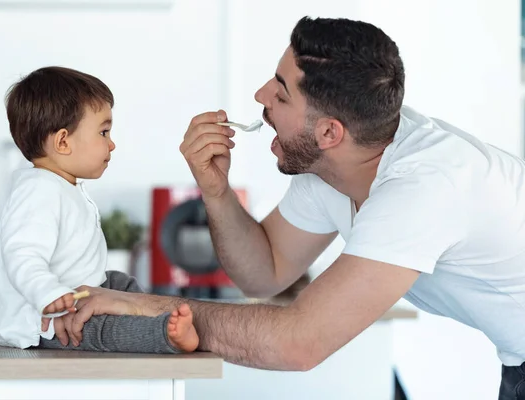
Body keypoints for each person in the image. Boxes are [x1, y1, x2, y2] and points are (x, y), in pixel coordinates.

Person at [54, 17, 525, 398]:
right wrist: (216, 192)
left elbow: (299, 343)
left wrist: (141, 307)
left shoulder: (424, 187)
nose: (261, 97)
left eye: (280, 92)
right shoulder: (339, 162)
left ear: (329, 132)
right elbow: (264, 272)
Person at [0, 66, 198, 354]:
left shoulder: (62, 185)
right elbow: (21, 255)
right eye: (103, 131)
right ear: (63, 141)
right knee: (102, 330)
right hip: (46, 320)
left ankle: (157, 317)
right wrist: (50, 295)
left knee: (121, 284)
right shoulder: (38, 191)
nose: (111, 143)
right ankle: (164, 335)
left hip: (83, 291)